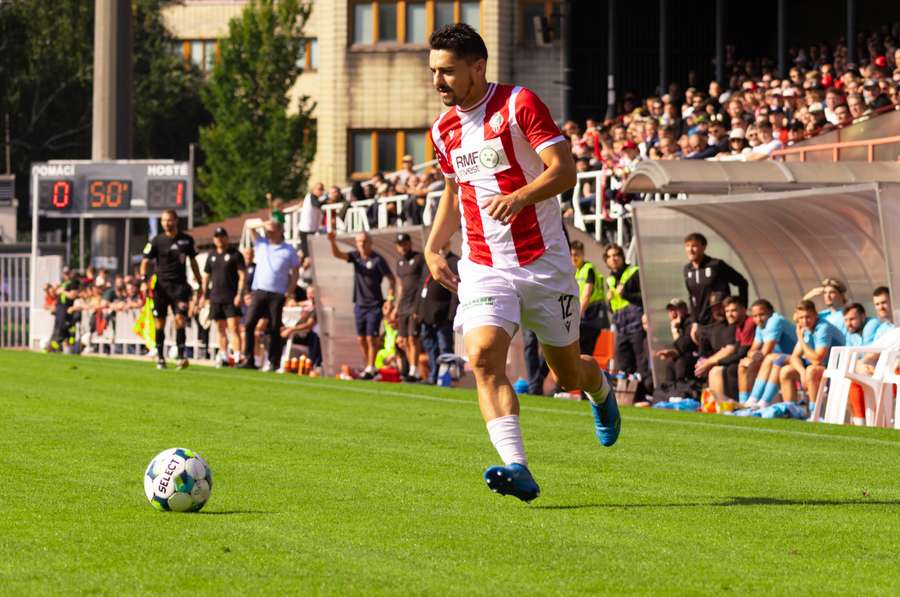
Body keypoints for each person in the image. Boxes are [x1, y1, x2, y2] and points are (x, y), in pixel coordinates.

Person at [423, 24, 617, 503]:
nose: (438, 81)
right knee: (483, 356)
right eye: (433, 71)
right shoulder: (442, 130)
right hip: (484, 265)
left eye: (447, 71)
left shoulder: (518, 104)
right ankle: (518, 466)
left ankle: (599, 388)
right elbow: (453, 192)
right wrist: (433, 247)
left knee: (566, 375)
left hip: (544, 263)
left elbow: (565, 172)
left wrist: (520, 197)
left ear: (478, 67)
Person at [328, 230, 397, 380]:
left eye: (364, 241)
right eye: (359, 241)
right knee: (361, 339)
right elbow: (338, 254)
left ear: (370, 243)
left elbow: (392, 279)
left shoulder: (378, 260)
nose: (361, 244)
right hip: (359, 304)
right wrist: (332, 241)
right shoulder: (355, 257)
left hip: (374, 304)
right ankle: (369, 366)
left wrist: (390, 300)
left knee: (372, 337)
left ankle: (371, 367)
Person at [140, 209, 202, 370]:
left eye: (169, 220)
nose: (166, 223)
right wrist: (143, 281)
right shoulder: (156, 240)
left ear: (176, 221)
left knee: (180, 320)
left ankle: (181, 356)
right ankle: (160, 357)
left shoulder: (186, 240)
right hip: (160, 287)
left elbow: (193, 261)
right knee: (160, 322)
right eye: (163, 220)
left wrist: (199, 280)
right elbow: (145, 262)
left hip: (179, 287)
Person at [237, 220, 300, 372]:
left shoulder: (289, 250)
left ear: (280, 231)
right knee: (249, 324)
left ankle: (273, 361)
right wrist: (264, 224)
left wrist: (289, 291)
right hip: (259, 291)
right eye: (268, 231)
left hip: (277, 293)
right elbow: (249, 225)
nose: (269, 234)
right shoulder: (261, 244)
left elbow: (295, 273)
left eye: (272, 231)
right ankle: (249, 358)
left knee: (274, 328)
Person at [683, 232, 748, 340]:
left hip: (720, 322)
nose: (690, 250)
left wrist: (742, 308)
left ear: (703, 247)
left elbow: (742, 282)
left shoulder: (716, 265)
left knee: (723, 350)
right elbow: (692, 297)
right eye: (687, 246)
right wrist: (694, 322)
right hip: (701, 325)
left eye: (694, 246)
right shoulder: (687, 270)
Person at [778, 300, 844, 406]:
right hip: (821, 366)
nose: (804, 321)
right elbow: (794, 357)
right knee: (785, 371)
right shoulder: (806, 329)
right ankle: (791, 409)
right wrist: (801, 372)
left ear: (815, 315)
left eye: (808, 317)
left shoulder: (823, 328)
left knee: (811, 371)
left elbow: (818, 360)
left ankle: (815, 411)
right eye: (801, 318)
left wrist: (800, 339)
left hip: (837, 367)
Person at [201, 227, 246, 368]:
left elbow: (242, 276)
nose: (219, 239)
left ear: (227, 238)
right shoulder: (212, 255)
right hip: (216, 297)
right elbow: (206, 277)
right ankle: (223, 355)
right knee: (220, 329)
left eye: (222, 236)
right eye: (217, 237)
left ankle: (237, 356)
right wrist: (204, 295)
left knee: (234, 328)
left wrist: (239, 294)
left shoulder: (235, 255)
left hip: (231, 297)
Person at [740, 300, 798, 408]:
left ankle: (760, 401)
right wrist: (752, 356)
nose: (758, 319)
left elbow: (765, 351)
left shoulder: (775, 320)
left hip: (796, 359)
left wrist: (755, 355)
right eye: (755, 316)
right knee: (743, 363)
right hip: (780, 358)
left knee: (770, 358)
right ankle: (743, 402)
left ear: (771, 312)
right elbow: (752, 350)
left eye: (762, 314)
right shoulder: (760, 326)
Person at [417, 243, 459, 385]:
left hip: (443, 313)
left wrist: (452, 313)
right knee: (430, 345)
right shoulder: (429, 260)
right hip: (427, 313)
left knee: (445, 346)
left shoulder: (454, 261)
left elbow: (455, 289)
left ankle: (446, 378)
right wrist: (418, 310)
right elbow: (421, 285)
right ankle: (433, 376)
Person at [604, 243, 645, 377]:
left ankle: (645, 388)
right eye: (609, 256)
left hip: (636, 324)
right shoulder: (609, 280)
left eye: (616, 255)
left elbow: (644, 298)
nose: (613, 259)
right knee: (624, 363)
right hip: (620, 326)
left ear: (622, 256)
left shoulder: (634, 272)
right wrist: (609, 301)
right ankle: (628, 388)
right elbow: (613, 309)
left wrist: (626, 294)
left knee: (641, 361)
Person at [708, 296, 754, 402]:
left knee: (731, 369)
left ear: (744, 310)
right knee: (718, 369)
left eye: (733, 310)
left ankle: (735, 404)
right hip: (748, 359)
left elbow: (741, 353)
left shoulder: (749, 323)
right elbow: (737, 350)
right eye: (727, 311)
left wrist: (717, 361)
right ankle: (720, 404)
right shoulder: (738, 327)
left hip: (759, 360)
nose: (730, 314)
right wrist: (716, 362)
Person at [393, 233, 425, 382]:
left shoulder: (419, 258)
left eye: (405, 243)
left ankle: (414, 369)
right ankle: (410, 368)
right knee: (403, 340)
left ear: (410, 243)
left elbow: (423, 281)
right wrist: (396, 307)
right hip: (403, 305)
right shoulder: (399, 262)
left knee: (413, 338)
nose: (403, 247)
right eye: (400, 245)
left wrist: (419, 305)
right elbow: (400, 286)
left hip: (414, 303)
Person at [570, 240, 608, 356]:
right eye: (571, 255)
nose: (573, 258)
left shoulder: (588, 269)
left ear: (582, 254)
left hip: (590, 317)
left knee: (583, 354)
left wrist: (577, 316)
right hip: (586, 317)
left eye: (576, 254)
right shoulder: (578, 271)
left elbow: (586, 295)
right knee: (580, 354)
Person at [298, 182, 325, 258]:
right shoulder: (311, 196)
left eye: (322, 189)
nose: (321, 191)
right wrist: (326, 201)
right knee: (308, 253)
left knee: (306, 252)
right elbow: (317, 204)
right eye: (320, 189)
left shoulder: (311, 197)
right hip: (307, 229)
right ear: (313, 189)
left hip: (308, 228)